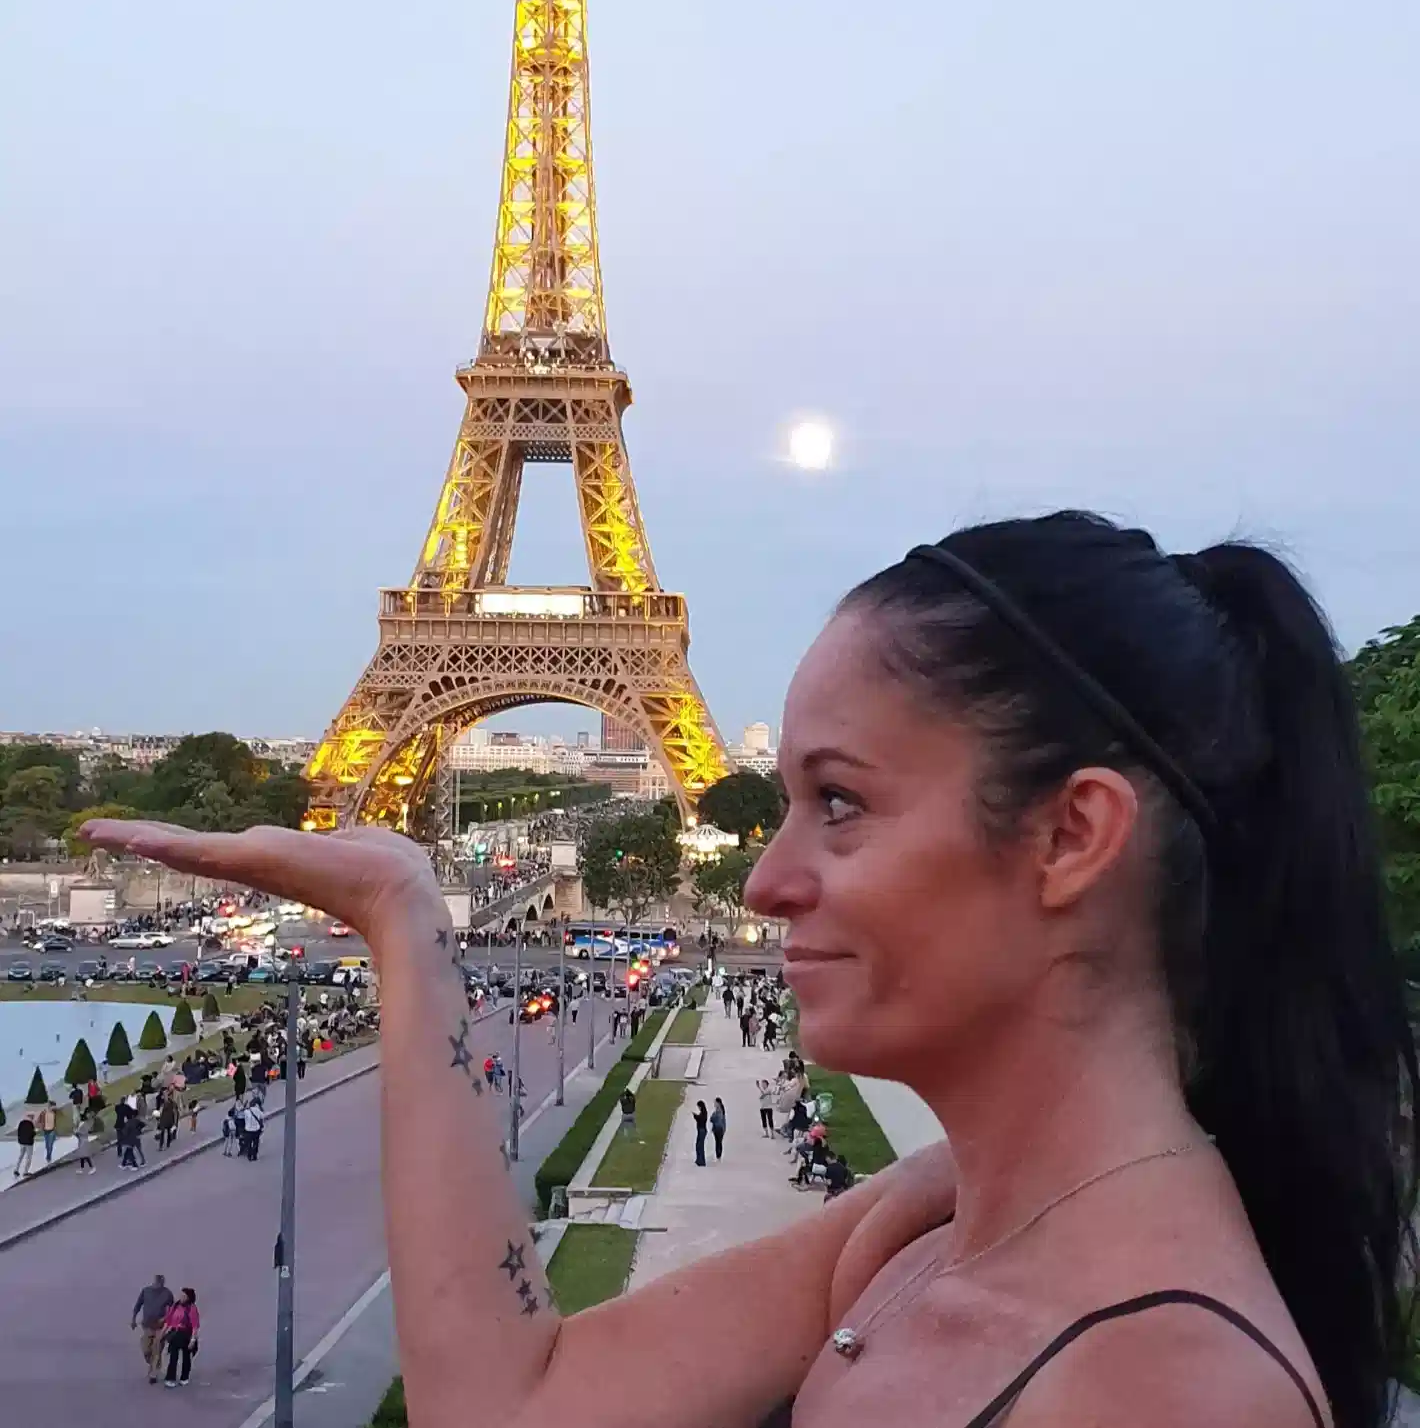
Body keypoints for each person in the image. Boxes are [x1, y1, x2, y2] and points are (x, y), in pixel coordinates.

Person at [81, 513, 1417, 1428]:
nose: (766, 880)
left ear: (1071, 836)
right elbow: (507, 1403)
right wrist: (404, 917)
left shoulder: (1168, 1388)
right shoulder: (934, 1221)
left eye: (840, 803)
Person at [131, 1273, 172, 1383]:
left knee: (157, 1348)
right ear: (154, 1282)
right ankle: (151, 1364)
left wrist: (165, 1318)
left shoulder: (167, 1293)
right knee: (146, 1349)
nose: (159, 1285)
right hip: (147, 1325)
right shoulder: (146, 1291)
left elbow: (172, 1310)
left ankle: (154, 1373)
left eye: (161, 1283)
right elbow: (138, 1305)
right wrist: (133, 1319)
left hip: (160, 1327)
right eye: (158, 1282)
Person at [162, 1286, 200, 1388]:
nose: (181, 1297)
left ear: (189, 1298)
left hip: (186, 1334)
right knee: (173, 1356)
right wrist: (163, 1333)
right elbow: (168, 1320)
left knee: (186, 1357)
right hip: (176, 1334)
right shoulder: (176, 1306)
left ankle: (184, 1378)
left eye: (184, 1296)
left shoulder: (192, 1309)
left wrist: (193, 1340)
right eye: (181, 1295)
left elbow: (195, 1326)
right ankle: (170, 1378)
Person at [12, 1111, 35, 1177]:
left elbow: (19, 1132)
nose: (33, 1117)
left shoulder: (21, 1123)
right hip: (29, 1143)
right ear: (30, 1116)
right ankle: (25, 1172)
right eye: (32, 1116)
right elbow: (31, 1133)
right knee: (29, 1157)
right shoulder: (30, 1123)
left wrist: (20, 1140)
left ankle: (16, 1170)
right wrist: (35, 1133)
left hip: (22, 1142)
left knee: (21, 1156)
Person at [73, 1109, 96, 1174]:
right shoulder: (84, 1123)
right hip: (81, 1140)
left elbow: (84, 1132)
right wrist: (76, 1132)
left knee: (85, 1155)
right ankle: (81, 1168)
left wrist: (77, 1132)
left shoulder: (87, 1123)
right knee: (82, 1155)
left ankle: (92, 1167)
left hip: (84, 1141)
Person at [37, 1099, 57, 1164]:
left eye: (54, 1107)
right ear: (50, 1106)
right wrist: (40, 1126)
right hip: (46, 1131)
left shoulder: (54, 1113)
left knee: (50, 1145)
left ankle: (48, 1157)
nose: (54, 1108)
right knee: (47, 1146)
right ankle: (48, 1156)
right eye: (53, 1106)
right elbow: (39, 1120)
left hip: (52, 1131)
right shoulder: (44, 1112)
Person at [709, 1096, 727, 1162]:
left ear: (718, 1103)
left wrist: (713, 1118)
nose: (714, 1104)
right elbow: (711, 1119)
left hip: (719, 1129)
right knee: (718, 1142)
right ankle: (718, 1156)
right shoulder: (717, 1111)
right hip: (718, 1129)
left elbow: (716, 1119)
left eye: (715, 1102)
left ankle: (718, 1156)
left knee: (718, 1142)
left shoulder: (719, 1111)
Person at [692, 1099, 708, 1169]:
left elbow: (701, 1120)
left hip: (702, 1131)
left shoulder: (704, 1113)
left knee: (700, 1146)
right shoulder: (702, 1113)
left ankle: (701, 1161)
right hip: (700, 1130)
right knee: (698, 1145)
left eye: (698, 1106)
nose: (698, 1108)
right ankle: (699, 1160)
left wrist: (696, 1116)